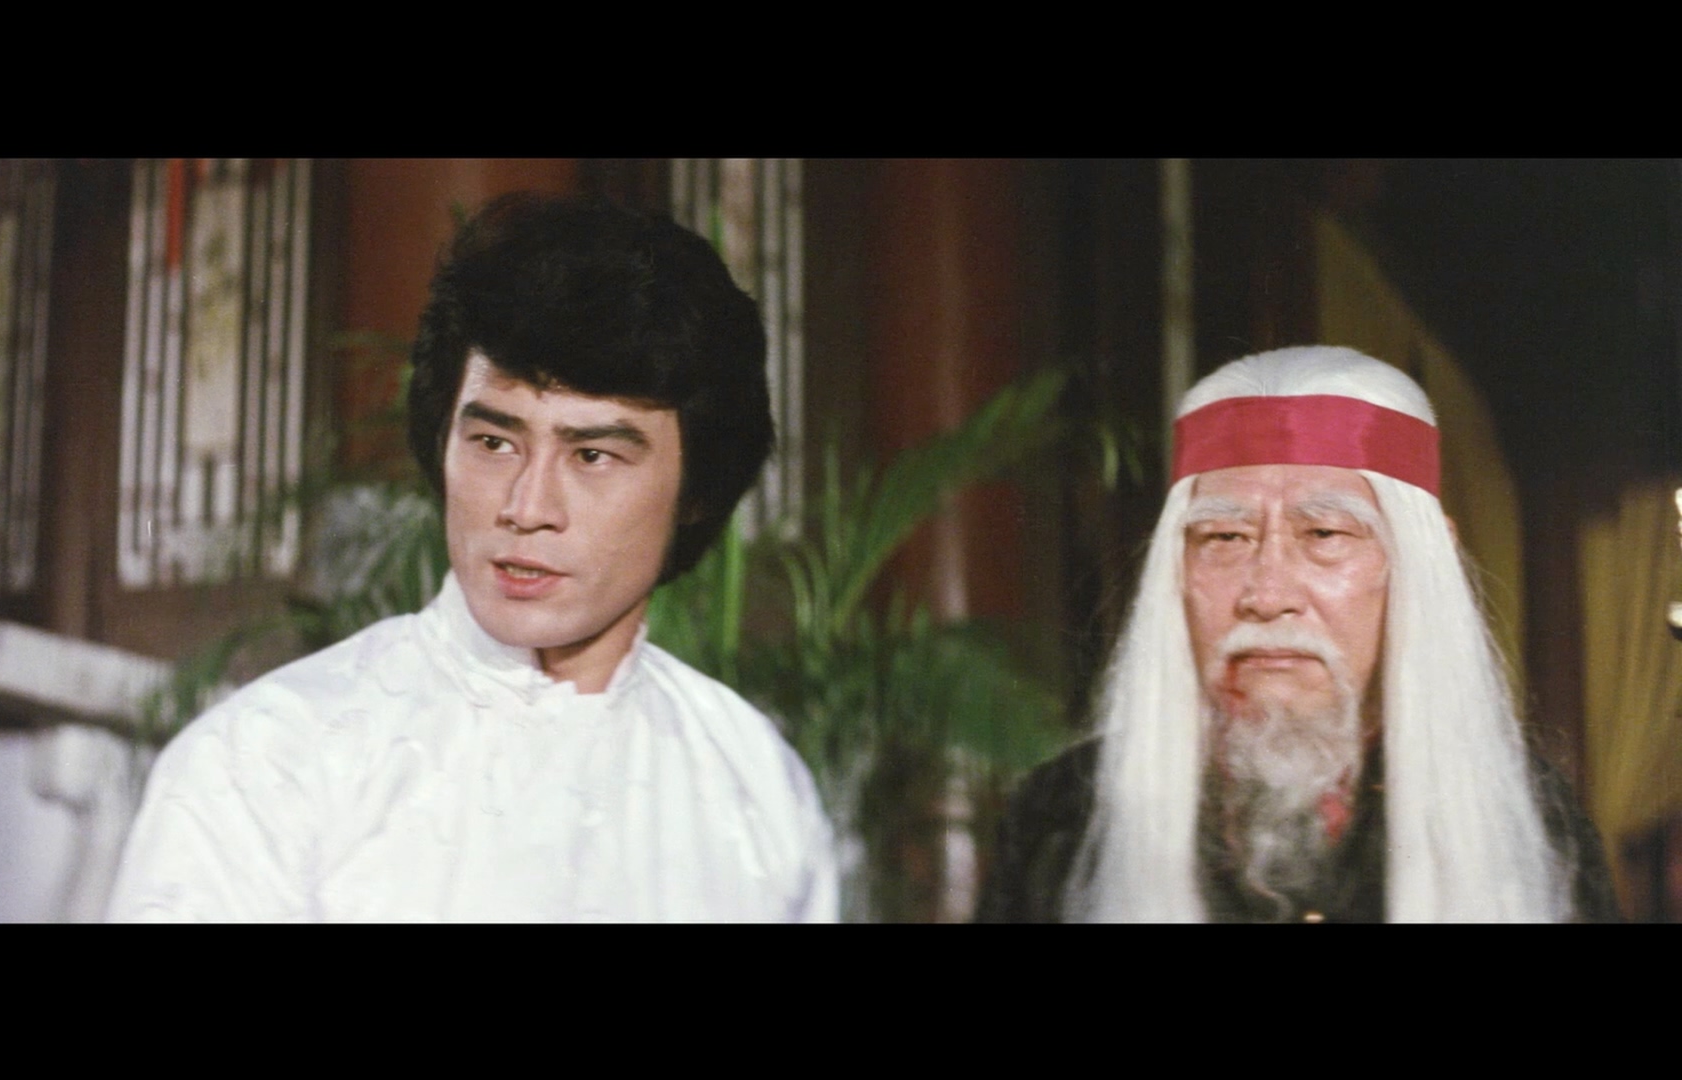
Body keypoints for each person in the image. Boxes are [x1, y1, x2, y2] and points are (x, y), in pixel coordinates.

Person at [107, 193, 837, 922]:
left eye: (592, 455)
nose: (527, 506)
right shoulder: (265, 762)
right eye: (494, 442)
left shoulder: (754, 786)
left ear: (696, 490)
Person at [977, 345, 1618, 923]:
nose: (1267, 596)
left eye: (1324, 535)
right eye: (1225, 538)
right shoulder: (1062, 818)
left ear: (1422, 563)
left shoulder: (1529, 820)